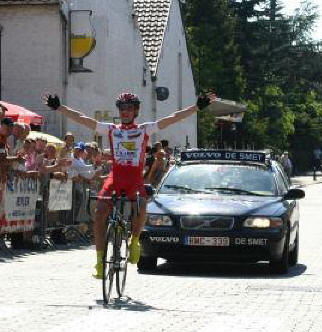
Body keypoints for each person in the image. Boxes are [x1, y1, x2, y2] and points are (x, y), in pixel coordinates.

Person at [45, 91, 214, 278]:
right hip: (116, 176)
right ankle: (100, 261)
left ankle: (135, 240)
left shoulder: (144, 129)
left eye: (129, 108)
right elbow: (83, 119)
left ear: (136, 111)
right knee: (100, 211)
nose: (125, 112)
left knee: (141, 204)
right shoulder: (111, 129)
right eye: (122, 108)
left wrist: (196, 107)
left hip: (134, 177)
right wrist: (60, 107)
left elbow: (172, 119)